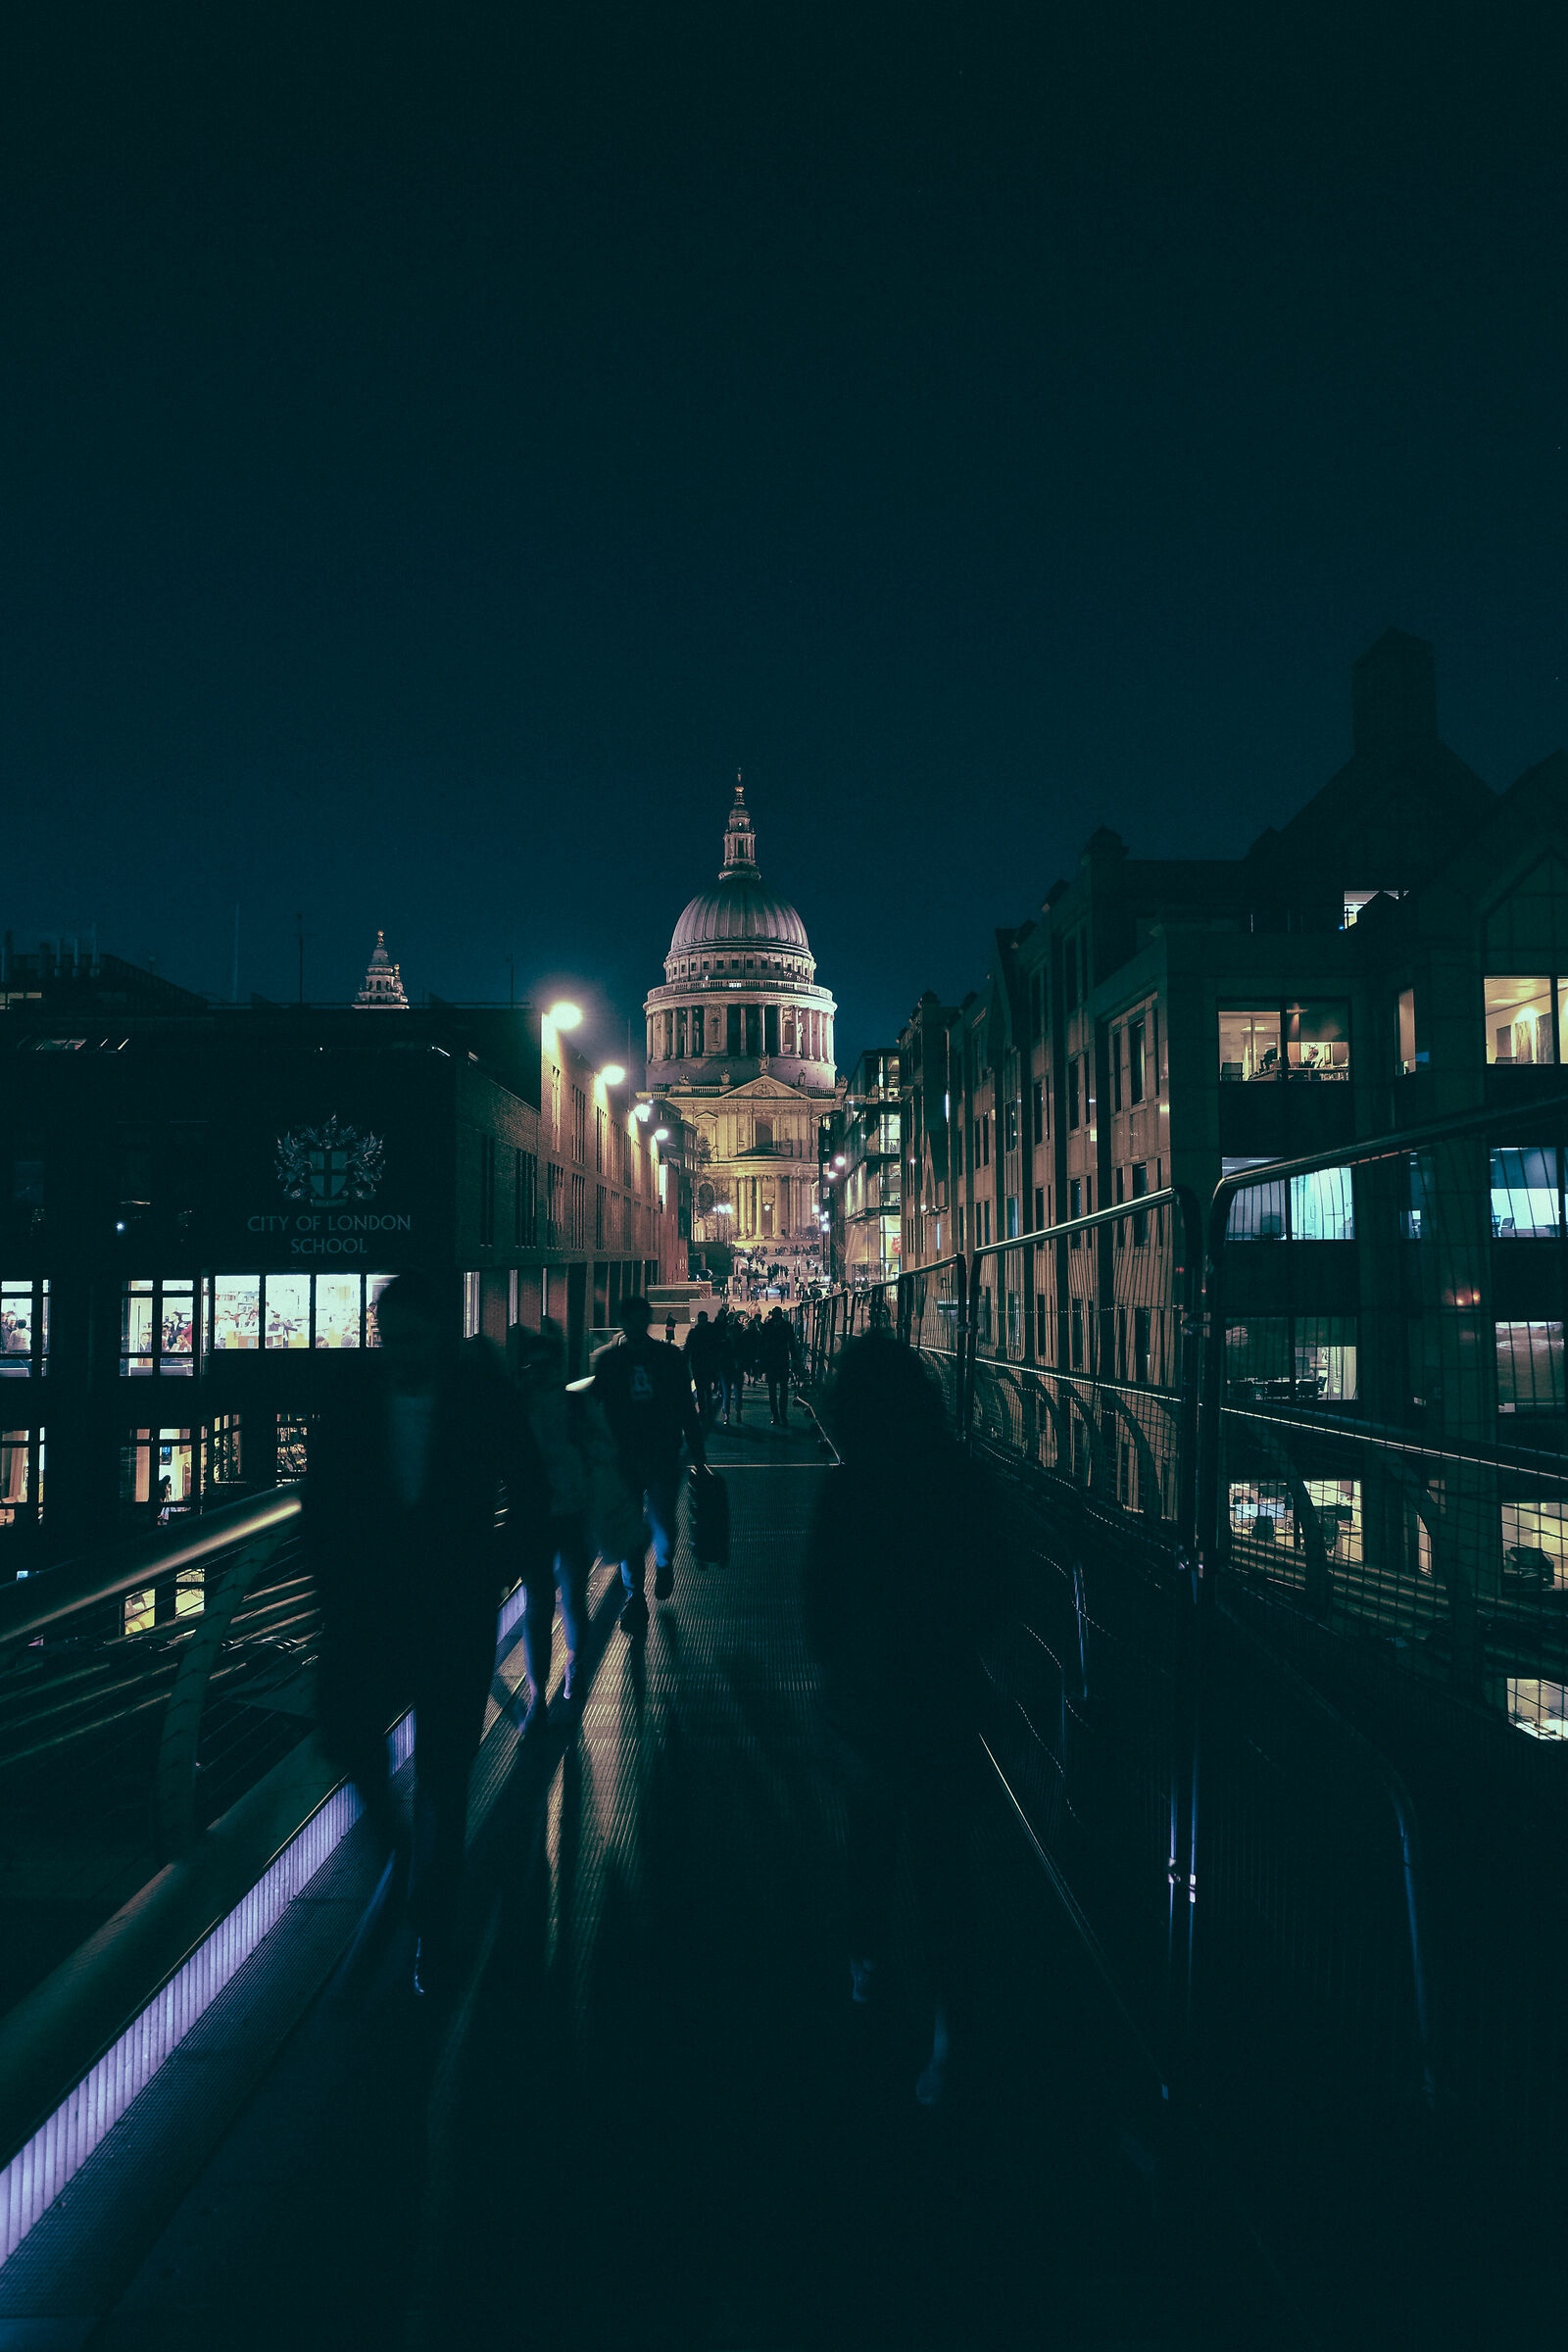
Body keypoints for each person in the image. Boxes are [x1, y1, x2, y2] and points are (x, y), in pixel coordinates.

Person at [307, 1271, 549, 1996]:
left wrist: (499, 1563)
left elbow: (528, 1484)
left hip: (453, 1609)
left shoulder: (480, 1395)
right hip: (372, 1609)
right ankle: (399, 1846)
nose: (399, 1352)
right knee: (345, 1730)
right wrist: (332, 1585)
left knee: (446, 1775)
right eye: (390, 1338)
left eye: (412, 1339)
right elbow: (319, 1497)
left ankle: (433, 1926)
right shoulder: (353, 1395)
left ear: (439, 1336)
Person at [803, 1332, 988, 2107]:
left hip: (871, 1703)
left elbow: (818, 1609)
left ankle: (865, 1971)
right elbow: (995, 1590)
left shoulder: (847, 1490)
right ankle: (950, 2032)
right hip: (945, 1701)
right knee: (946, 1864)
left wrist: (845, 1669)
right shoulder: (963, 1481)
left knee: (870, 1840)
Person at [514, 1317, 631, 1733]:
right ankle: (539, 1694)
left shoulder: (560, 1408)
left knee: (565, 1601)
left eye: (544, 1365)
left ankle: (568, 1670)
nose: (539, 1373)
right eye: (534, 1366)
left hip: (567, 1514)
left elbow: (604, 1450)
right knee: (544, 1604)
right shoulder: (520, 1412)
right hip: (539, 1519)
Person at [592, 1293, 707, 1639]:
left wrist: (697, 1450)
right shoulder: (611, 1363)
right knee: (632, 1527)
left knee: (661, 1521)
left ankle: (664, 1562)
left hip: (658, 1453)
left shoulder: (665, 1358)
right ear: (626, 1322)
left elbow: (686, 1405)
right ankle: (635, 1598)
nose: (637, 1327)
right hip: (627, 1457)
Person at [685, 1307, 721, 1424]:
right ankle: (708, 1409)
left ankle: (702, 1410)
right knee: (706, 1389)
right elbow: (717, 1347)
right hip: (708, 1364)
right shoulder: (712, 1331)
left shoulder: (693, 1333)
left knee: (701, 1389)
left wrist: (686, 1364)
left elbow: (687, 1350)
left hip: (697, 1364)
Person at [760, 1306, 794, 1426]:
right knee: (783, 1389)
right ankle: (782, 1415)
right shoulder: (787, 1326)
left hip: (771, 1361)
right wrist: (794, 1359)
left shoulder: (768, 1326)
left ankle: (776, 1416)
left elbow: (762, 1345)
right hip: (782, 1359)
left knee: (772, 1391)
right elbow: (792, 1344)